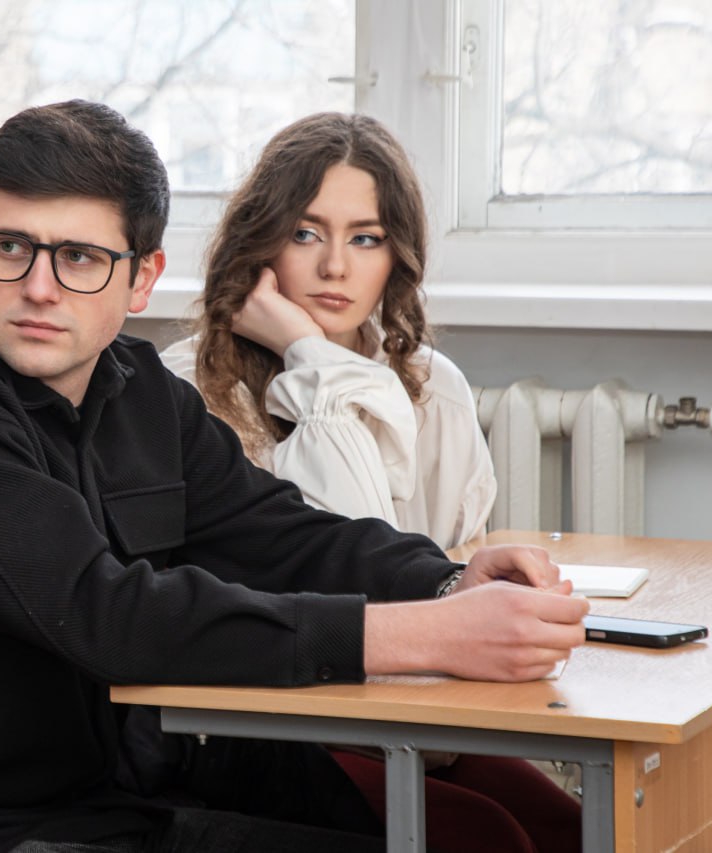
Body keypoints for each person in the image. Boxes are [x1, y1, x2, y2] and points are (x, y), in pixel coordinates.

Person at [0, 100, 589, 853]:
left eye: (80, 257)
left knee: (490, 835)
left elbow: (275, 532)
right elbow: (112, 617)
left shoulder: (137, 390)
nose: (39, 288)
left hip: (109, 791)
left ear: (143, 278)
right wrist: (429, 636)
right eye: (11, 247)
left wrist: (442, 581)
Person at [160, 112, 580, 852]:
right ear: (261, 243)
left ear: (397, 257)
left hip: (426, 705)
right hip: (275, 721)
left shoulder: (435, 387)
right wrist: (309, 354)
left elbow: (442, 578)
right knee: (490, 838)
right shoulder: (186, 388)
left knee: (572, 828)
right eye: (305, 233)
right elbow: (350, 577)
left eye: (366, 238)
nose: (335, 267)